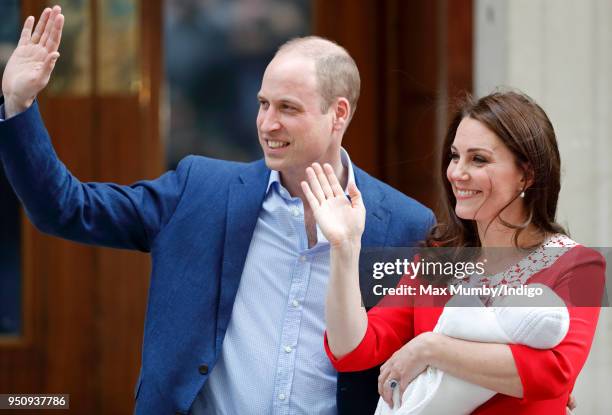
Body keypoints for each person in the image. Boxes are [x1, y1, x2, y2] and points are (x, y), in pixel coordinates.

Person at [0, 6, 434, 414]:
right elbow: (66, 208)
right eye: (263, 104)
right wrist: (19, 105)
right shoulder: (200, 192)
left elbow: (451, 341)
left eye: (288, 108)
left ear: (338, 114)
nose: (267, 124)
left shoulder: (404, 224)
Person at [302, 91, 605, 413]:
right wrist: (345, 248)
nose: (457, 173)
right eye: (455, 155)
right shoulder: (438, 256)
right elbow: (353, 349)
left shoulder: (580, 264)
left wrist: (431, 348)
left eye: (478, 159)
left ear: (526, 175)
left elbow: (552, 373)